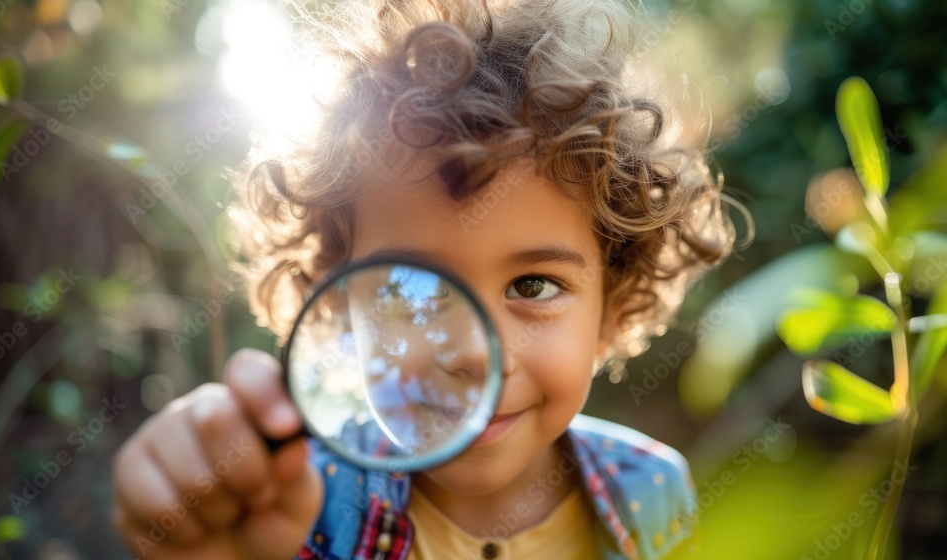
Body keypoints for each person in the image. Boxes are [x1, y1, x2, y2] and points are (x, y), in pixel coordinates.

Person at [112, 0, 738, 558]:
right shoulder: (287, 508)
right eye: (410, 291)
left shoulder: (655, 491)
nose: (471, 353)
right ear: (337, 309)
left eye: (533, 286)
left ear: (611, 305)